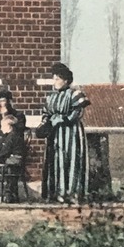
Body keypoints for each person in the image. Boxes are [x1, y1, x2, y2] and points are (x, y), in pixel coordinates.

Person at [40, 62, 89, 203]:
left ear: (65, 80)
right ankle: (57, 192)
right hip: (55, 134)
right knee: (56, 161)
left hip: (71, 133)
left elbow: (77, 112)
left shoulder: (74, 94)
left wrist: (62, 119)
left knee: (72, 160)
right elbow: (46, 113)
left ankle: (72, 193)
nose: (55, 82)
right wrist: (46, 123)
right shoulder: (51, 97)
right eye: (54, 78)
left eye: (57, 79)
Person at [0, 89, 28, 201]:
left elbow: (17, 135)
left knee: (10, 167)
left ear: (9, 101)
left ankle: (9, 194)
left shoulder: (18, 116)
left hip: (11, 152)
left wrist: (7, 118)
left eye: (2, 100)